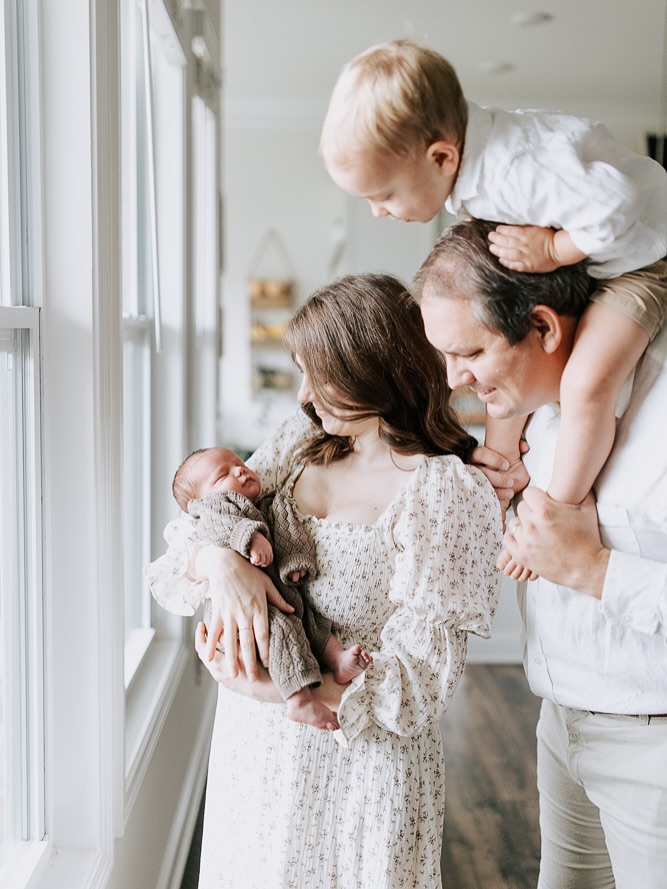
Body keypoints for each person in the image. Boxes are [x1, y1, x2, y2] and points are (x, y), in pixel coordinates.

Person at [147, 273, 502, 889]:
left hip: (358, 769)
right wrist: (223, 566)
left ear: (375, 372)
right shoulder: (302, 442)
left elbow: (421, 684)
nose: (305, 395)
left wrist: (270, 689)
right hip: (256, 757)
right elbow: (192, 533)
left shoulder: (442, 492)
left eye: (321, 377)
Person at [320, 38, 667, 576]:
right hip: (597, 258)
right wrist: (499, 465)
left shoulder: (515, 170)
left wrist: (554, 249)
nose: (378, 212)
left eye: (384, 195)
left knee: (586, 384)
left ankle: (557, 512)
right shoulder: (468, 174)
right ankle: (506, 472)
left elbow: (618, 202)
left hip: (642, 259)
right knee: (511, 389)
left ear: (441, 157)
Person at [416, 218, 667, 889]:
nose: (455, 379)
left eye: (469, 352)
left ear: (543, 328)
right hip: (560, 722)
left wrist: (592, 569)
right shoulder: (531, 408)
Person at [155, 446, 372, 730]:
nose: (240, 470)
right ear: (199, 502)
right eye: (223, 474)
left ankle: (337, 659)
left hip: (282, 597)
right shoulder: (214, 509)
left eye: (239, 463)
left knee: (314, 623)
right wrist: (250, 539)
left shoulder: (271, 503)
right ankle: (299, 699)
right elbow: (219, 526)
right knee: (283, 632)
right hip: (247, 615)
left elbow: (289, 533)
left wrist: (295, 561)